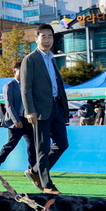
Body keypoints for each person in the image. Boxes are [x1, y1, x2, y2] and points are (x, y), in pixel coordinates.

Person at [20, 23, 69, 194]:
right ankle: (47, 185)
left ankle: (34, 171)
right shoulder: (30, 59)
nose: (47, 40)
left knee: (63, 144)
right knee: (42, 148)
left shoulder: (52, 58)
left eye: (50, 36)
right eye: (43, 36)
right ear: (36, 39)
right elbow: (25, 87)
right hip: (39, 109)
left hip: (56, 106)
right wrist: (29, 110)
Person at [0, 63, 36, 173]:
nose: (25, 74)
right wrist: (16, 120)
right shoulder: (9, 85)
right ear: (15, 72)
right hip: (16, 120)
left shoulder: (28, 85)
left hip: (27, 119)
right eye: (21, 71)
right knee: (11, 143)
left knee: (32, 144)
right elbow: (9, 105)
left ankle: (33, 169)